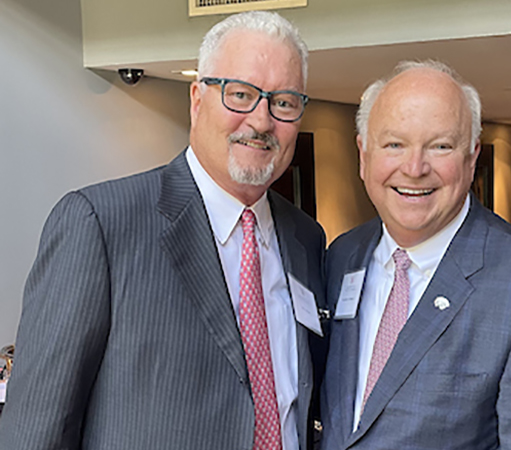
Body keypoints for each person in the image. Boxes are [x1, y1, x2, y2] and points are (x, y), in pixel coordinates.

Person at [0, 11, 326, 450]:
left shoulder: (305, 237)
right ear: (197, 99)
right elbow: (35, 430)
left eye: (283, 102)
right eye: (241, 94)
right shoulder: (99, 225)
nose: (262, 121)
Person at [320, 60, 511, 449]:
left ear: (471, 159)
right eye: (394, 144)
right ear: (363, 154)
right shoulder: (343, 256)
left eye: (440, 146)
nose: (414, 168)